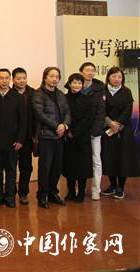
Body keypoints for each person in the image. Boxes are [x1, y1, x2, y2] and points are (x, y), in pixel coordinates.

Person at [32, 66, 71, 209]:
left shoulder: (60, 94)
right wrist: (57, 126)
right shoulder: (38, 94)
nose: (54, 79)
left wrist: (64, 125)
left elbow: (68, 112)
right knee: (45, 167)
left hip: (60, 137)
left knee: (56, 167)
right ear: (45, 77)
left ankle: (53, 193)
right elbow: (39, 114)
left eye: (57, 77)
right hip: (46, 137)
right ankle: (42, 195)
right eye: (51, 76)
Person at [100, 67, 139, 199]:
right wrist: (110, 123)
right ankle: (112, 185)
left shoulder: (126, 91)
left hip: (123, 129)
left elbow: (128, 110)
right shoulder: (102, 91)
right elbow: (101, 110)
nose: (117, 79)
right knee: (109, 157)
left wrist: (118, 124)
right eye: (114, 76)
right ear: (108, 77)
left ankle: (120, 187)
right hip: (107, 129)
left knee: (123, 157)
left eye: (119, 77)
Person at [0, 69, 25, 208]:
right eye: (1, 78)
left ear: (10, 79)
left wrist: (20, 139)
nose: (4, 81)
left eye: (6, 78)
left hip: (12, 142)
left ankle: (10, 196)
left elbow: (23, 121)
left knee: (11, 170)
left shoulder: (17, 97)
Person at [62, 73, 95, 203]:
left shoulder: (88, 100)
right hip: (67, 137)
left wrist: (75, 132)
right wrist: (68, 131)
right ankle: (71, 191)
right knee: (69, 165)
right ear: (69, 84)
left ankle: (81, 192)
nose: (77, 85)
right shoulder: (64, 99)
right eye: (74, 83)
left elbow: (89, 119)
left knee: (82, 166)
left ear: (82, 85)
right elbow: (62, 116)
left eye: (79, 83)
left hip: (82, 137)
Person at [79, 62, 106, 201]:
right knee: (79, 159)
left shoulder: (100, 89)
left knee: (96, 160)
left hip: (94, 131)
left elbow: (101, 112)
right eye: (87, 70)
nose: (90, 73)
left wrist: (95, 130)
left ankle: (96, 189)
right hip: (79, 132)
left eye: (92, 70)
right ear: (81, 72)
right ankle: (79, 188)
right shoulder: (75, 86)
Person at [11, 67, 35, 204]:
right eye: (18, 78)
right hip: (12, 137)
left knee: (26, 166)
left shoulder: (34, 94)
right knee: (11, 167)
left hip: (28, 136)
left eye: (24, 78)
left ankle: (23, 193)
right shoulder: (9, 94)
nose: (22, 81)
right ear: (13, 80)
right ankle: (11, 192)